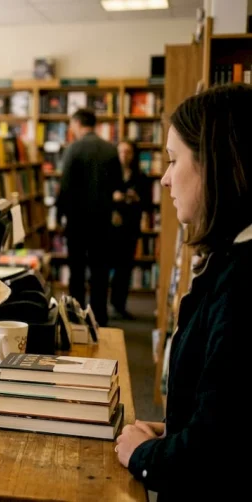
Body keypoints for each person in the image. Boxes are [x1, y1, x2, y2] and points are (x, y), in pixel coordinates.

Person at [114, 83, 252, 500]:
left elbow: (217, 453)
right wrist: (176, 430)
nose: (166, 177)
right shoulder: (231, 258)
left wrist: (147, 457)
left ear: (215, 164)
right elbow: (228, 409)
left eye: (174, 161)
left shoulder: (243, 280)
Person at [55, 108, 121, 326]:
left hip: (77, 221)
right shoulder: (110, 150)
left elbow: (64, 187)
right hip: (102, 221)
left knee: (77, 271)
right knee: (100, 271)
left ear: (76, 123)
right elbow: (117, 186)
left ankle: (76, 317)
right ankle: (99, 317)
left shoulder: (73, 149)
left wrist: (59, 216)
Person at [109, 140, 148, 320]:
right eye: (121, 151)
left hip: (129, 229)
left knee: (124, 270)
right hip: (110, 229)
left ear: (133, 155)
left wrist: (133, 198)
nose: (124, 155)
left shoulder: (140, 177)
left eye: (128, 152)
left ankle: (119, 305)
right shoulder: (109, 174)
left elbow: (146, 204)